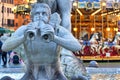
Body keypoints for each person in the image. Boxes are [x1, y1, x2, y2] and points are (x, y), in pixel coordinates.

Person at [2, 3, 81, 80]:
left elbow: (77, 47)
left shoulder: (57, 30)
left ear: (49, 17)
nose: (40, 16)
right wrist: (23, 37)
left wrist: (54, 38)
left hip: (55, 73)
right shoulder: (24, 29)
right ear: (32, 17)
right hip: (31, 73)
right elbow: (5, 47)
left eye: (44, 14)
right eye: (37, 14)